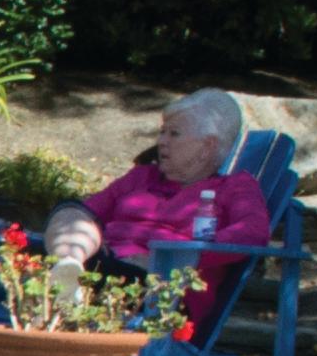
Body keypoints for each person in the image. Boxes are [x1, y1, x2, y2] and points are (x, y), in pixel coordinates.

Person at [38, 90, 274, 330]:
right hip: (102, 265)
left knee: (65, 265)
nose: (162, 141)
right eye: (162, 132)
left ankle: (68, 284)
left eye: (174, 134)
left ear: (207, 146)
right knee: (69, 210)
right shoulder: (142, 177)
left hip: (160, 290)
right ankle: (68, 266)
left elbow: (253, 232)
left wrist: (175, 258)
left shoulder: (233, 188)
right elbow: (87, 212)